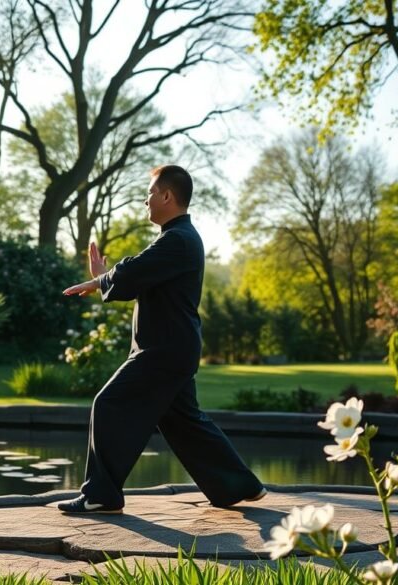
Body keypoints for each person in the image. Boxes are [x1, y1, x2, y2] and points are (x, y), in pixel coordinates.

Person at [58, 164, 265, 514]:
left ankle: (101, 495)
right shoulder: (178, 239)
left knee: (108, 404)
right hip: (172, 349)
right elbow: (138, 276)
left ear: (167, 196)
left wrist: (101, 280)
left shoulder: (178, 240)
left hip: (163, 351)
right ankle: (240, 485)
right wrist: (106, 278)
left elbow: (134, 270)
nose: (146, 200)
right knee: (184, 422)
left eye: (150, 193)